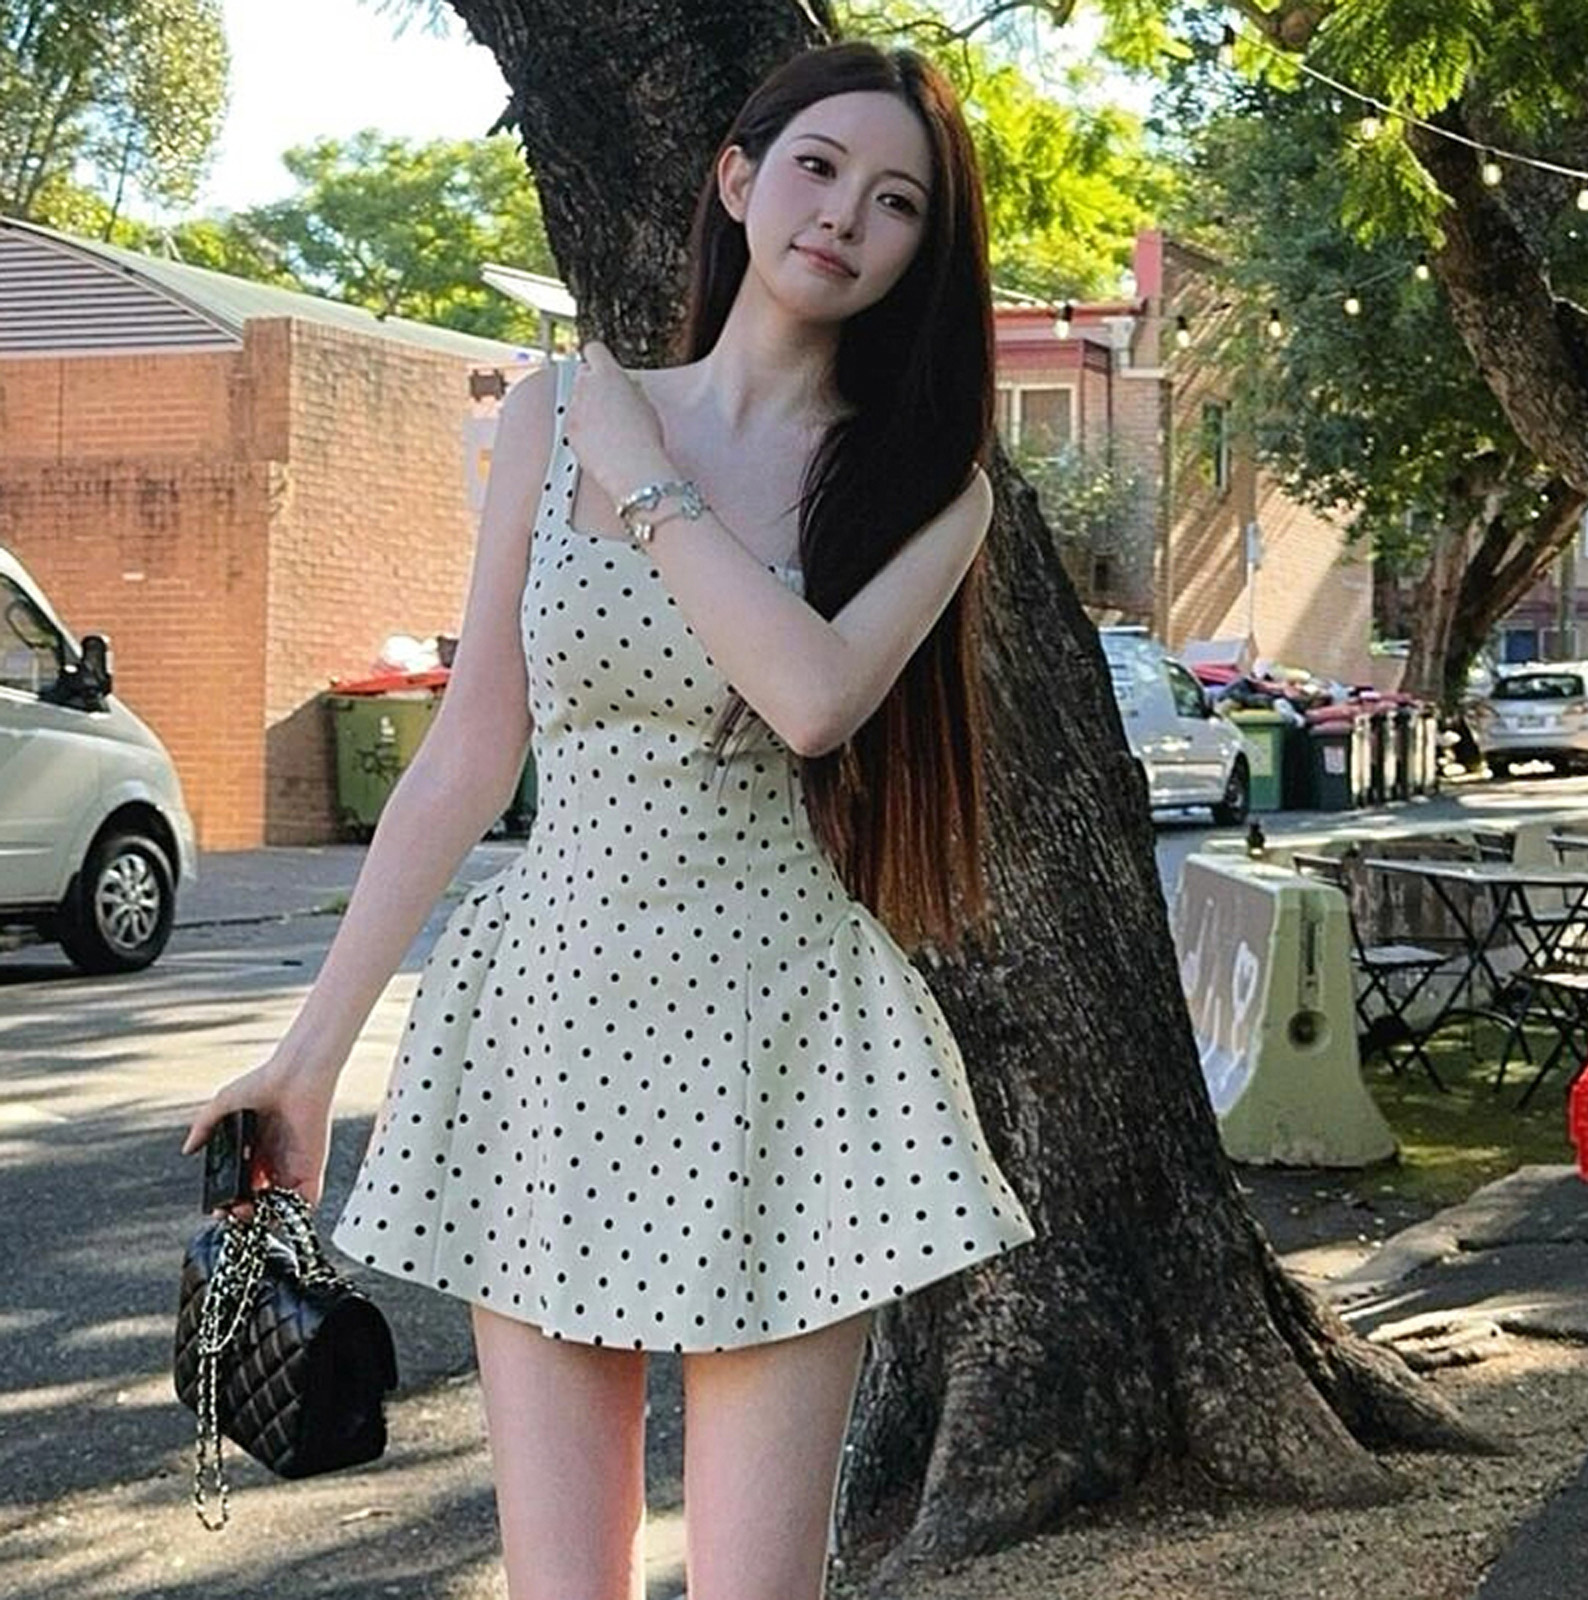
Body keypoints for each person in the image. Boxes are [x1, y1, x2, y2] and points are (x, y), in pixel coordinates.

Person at [180, 37, 1036, 1600]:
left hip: (781, 1036)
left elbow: (812, 700)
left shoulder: (928, 482)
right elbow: (466, 752)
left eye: (897, 201)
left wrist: (647, 484)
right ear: (739, 176)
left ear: (923, 248)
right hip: (551, 1019)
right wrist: (309, 1057)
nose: (845, 216)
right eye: (819, 168)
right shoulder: (557, 412)